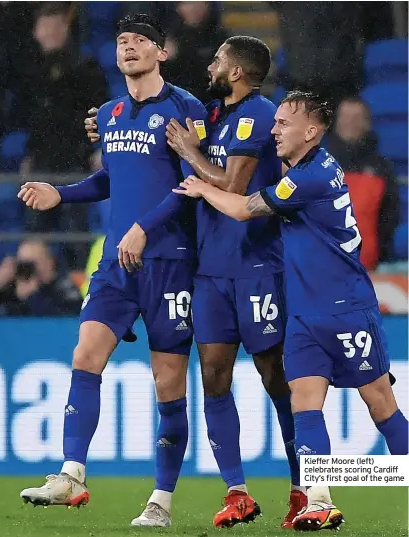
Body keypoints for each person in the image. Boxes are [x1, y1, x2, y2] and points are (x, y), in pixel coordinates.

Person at [172, 90, 409, 531]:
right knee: (305, 405)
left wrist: (203, 185)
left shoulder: (311, 177)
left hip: (347, 308)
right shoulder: (304, 169)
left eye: (283, 124)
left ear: (312, 132)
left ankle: (388, 479)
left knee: (381, 405)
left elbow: (244, 208)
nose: (274, 129)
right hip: (303, 313)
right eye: (274, 121)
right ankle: (319, 501)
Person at [17, 14, 207, 528]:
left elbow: (194, 183)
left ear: (161, 52)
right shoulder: (111, 112)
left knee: (169, 383)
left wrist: (145, 228)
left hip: (169, 263)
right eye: (122, 41)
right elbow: (110, 177)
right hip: (115, 265)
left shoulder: (185, 107)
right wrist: (63, 192)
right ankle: (72, 474)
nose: (130, 47)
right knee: (85, 352)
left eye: (141, 40)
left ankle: (161, 501)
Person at [116, 36, 306, 529]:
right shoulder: (215, 115)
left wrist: (190, 154)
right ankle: (237, 492)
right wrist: (103, 123)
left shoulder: (258, 114)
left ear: (238, 71)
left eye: (219, 59)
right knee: (214, 378)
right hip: (210, 272)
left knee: (275, 378)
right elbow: (160, 108)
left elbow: (235, 185)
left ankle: (303, 488)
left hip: (258, 268)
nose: (211, 64)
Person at [18, 3, 108, 268]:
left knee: (74, 229)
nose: (46, 32)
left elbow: (98, 110)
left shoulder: (86, 66)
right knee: (37, 228)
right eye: (43, 26)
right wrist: (28, 153)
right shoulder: (31, 69)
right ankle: (35, 286)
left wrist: (96, 148)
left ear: (64, 28)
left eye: (52, 25)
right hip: (41, 160)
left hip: (75, 159)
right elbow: (28, 118)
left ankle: (78, 284)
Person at [326, 97, 399, 270]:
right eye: (345, 117)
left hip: (368, 267)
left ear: (367, 124)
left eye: (356, 117)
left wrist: (379, 254)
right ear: (336, 122)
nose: (350, 123)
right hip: (323, 265)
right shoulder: (319, 163)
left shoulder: (382, 168)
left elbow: (390, 217)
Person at [0, 239, 81, 316]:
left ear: (49, 262)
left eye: (32, 264)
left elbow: (70, 319)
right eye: (23, 264)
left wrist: (33, 297)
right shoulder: (10, 285)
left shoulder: (64, 287)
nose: (27, 269)